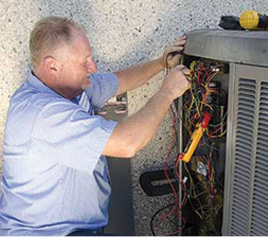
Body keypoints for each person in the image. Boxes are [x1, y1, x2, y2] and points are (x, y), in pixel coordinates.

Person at [0, 16, 190, 235]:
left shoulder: (68, 87)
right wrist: (167, 92)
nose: (93, 67)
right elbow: (128, 143)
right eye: (85, 61)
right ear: (52, 66)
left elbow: (119, 80)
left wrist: (160, 64)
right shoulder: (43, 114)